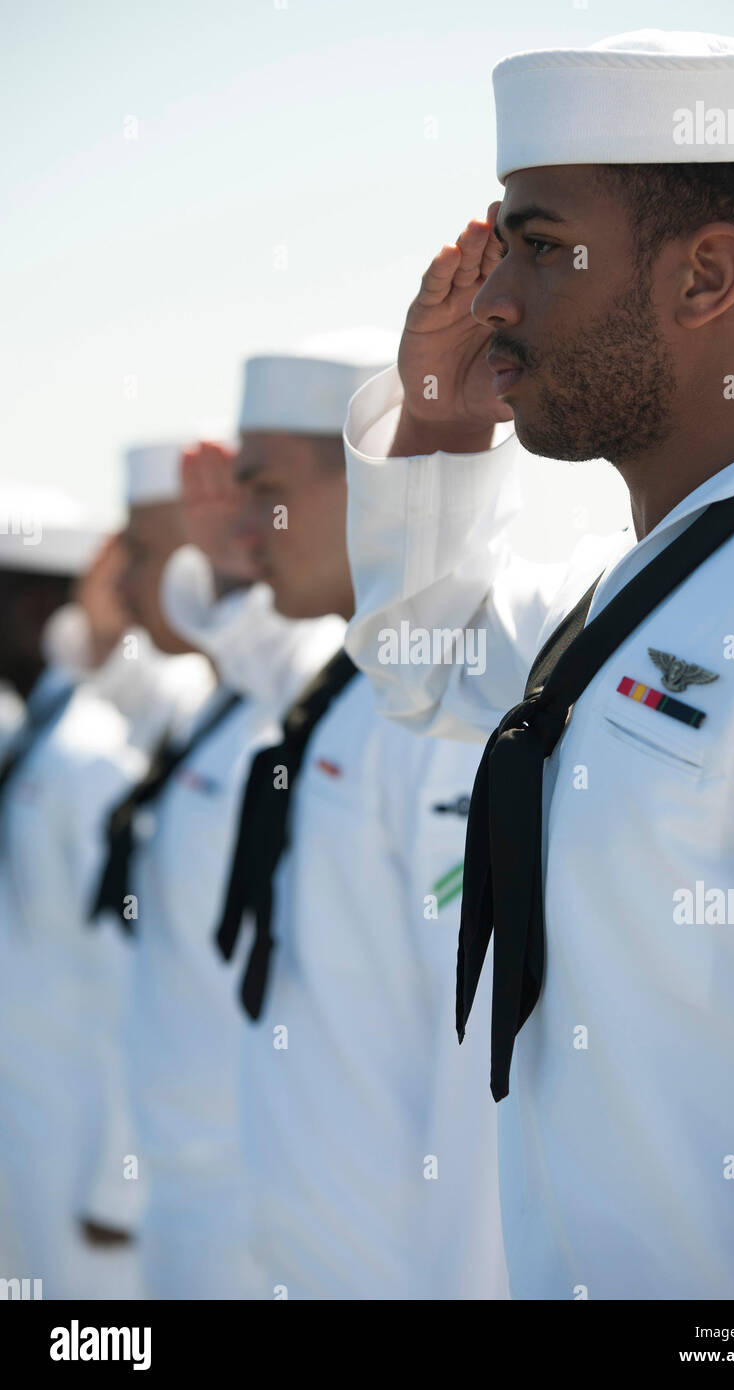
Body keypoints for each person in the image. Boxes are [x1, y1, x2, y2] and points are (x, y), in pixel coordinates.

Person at [341, 31, 734, 1299]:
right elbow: (427, 659)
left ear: (707, 279)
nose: (493, 300)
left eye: (536, 244)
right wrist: (440, 426)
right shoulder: (630, 602)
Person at [189, 334, 509, 1298]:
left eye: (264, 491)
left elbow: (477, 1089)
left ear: (367, 486)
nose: (245, 531)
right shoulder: (340, 683)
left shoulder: (445, 719)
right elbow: (232, 634)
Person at [101, 428, 343, 1298]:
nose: (130, 586)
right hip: (185, 1183)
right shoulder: (217, 711)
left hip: (251, 1202)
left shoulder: (284, 717)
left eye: (143, 555)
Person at [0, 484, 145, 1299]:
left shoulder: (89, 759)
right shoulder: (32, 739)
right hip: (27, 1137)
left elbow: (136, 976)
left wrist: (119, 1184)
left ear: (29, 607)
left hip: (85, 1156)